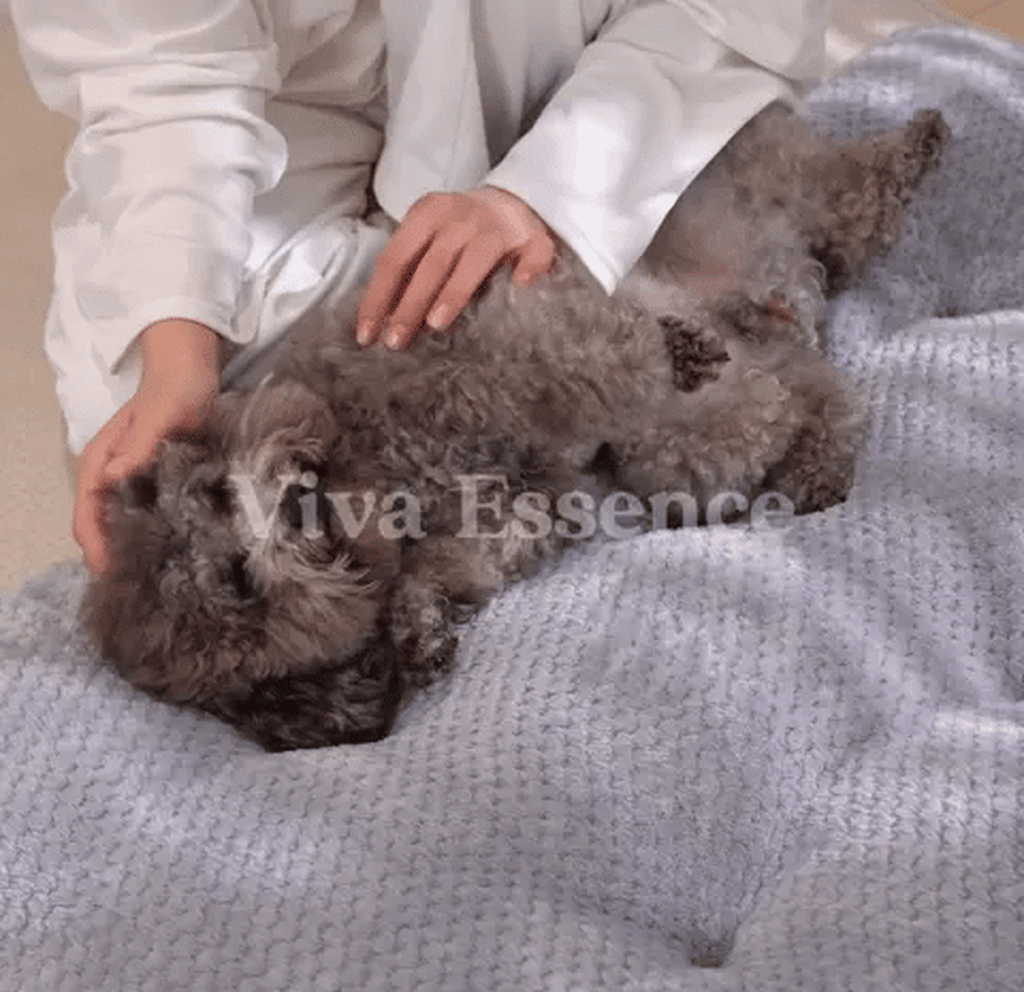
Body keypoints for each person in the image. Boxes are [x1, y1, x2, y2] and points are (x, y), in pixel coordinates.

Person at [10, 0, 951, 575]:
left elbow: (723, 11)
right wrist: (178, 352)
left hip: (582, 61)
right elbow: (163, 73)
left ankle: (618, 293)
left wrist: (541, 194)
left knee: (674, 250)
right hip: (289, 97)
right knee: (177, 424)